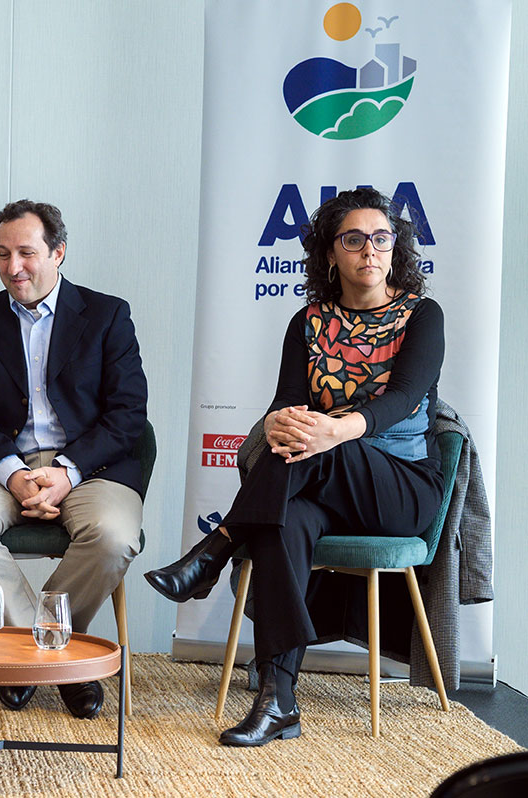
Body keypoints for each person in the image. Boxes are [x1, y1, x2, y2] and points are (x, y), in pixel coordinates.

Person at [146, 187, 444, 746]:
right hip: (318, 476)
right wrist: (284, 422)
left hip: (400, 487)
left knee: (316, 449)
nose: (369, 251)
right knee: (287, 521)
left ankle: (216, 548)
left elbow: (403, 398)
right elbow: (287, 400)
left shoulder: (421, 316)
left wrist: (335, 429)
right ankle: (278, 698)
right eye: (353, 240)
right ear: (331, 254)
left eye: (381, 239)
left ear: (395, 247)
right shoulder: (307, 322)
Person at [0, 200, 148, 719]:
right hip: (1, 464)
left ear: (59, 253)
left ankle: (30, 652)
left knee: (115, 536)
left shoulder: (107, 314)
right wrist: (14, 473)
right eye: (3, 255)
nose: (13, 268)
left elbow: (128, 413)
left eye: (26, 253)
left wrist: (67, 472)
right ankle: (53, 652)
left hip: (89, 466)